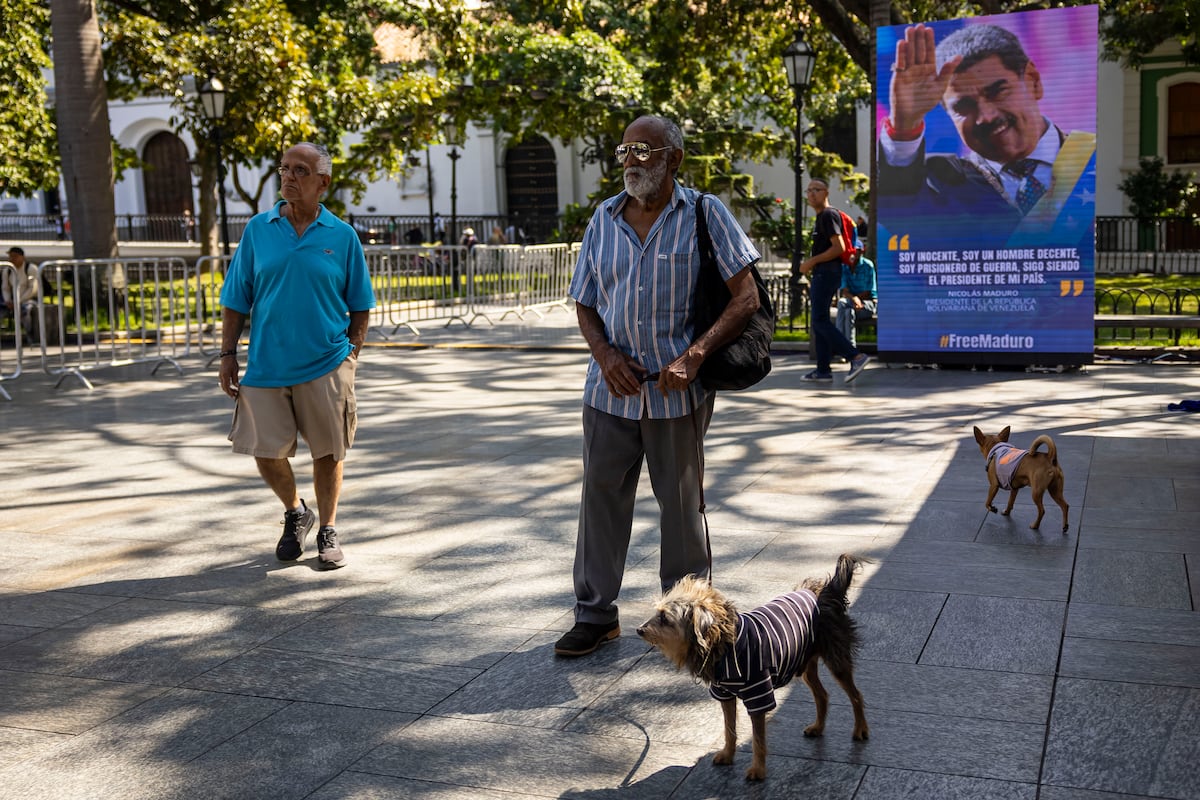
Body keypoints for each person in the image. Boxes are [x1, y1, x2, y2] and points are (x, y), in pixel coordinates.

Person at [555, 114, 761, 657]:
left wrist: (694, 356)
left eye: (644, 149)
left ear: (674, 158)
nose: (631, 160)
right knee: (600, 499)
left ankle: (690, 621)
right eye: (624, 150)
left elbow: (746, 298)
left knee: (681, 506)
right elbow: (585, 300)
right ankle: (596, 614)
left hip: (678, 393)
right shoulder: (603, 218)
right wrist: (603, 355)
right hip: (610, 392)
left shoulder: (703, 213)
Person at [218, 143, 376, 570]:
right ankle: (295, 512)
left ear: (322, 182)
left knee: (328, 453)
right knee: (264, 452)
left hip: (327, 363)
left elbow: (361, 304)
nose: (288, 177)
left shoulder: (342, 236)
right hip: (266, 364)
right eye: (284, 168)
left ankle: (327, 527)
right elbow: (236, 297)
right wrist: (227, 354)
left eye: (300, 170)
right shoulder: (258, 229)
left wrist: (352, 357)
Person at [878, 23, 1096, 233]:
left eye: (998, 92)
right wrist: (904, 124)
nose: (986, 117)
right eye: (964, 107)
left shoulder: (1093, 160)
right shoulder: (944, 182)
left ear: (1033, 81)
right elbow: (900, 214)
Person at [797, 179, 871, 383]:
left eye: (816, 190)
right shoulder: (823, 216)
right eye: (809, 190)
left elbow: (838, 248)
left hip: (826, 272)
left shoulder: (828, 215)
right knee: (818, 320)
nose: (812, 194)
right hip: (826, 272)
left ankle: (855, 356)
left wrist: (810, 262)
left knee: (819, 320)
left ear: (826, 192)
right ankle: (822, 370)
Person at [835, 244, 877, 348]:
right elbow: (844, 290)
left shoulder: (868, 265)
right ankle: (849, 349)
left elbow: (868, 291)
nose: (853, 253)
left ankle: (839, 344)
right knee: (849, 312)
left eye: (856, 250)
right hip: (851, 303)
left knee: (842, 303)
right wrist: (854, 299)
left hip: (868, 303)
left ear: (862, 252)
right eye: (851, 250)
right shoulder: (844, 266)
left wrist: (857, 300)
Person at [2, 246, 40, 341]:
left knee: (25, 311)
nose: (12, 259)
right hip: (12, 301)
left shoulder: (31, 268)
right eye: (10, 257)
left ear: (22, 257)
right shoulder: (7, 270)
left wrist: (19, 301)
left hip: (29, 300)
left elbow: (32, 289)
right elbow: (5, 288)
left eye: (15, 256)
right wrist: (8, 301)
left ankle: (30, 335)